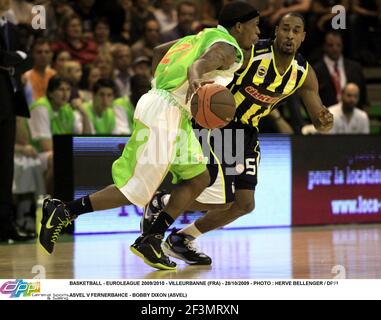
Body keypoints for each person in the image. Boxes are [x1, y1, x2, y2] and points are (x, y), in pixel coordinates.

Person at [38, 1, 261, 271]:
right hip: (164, 113)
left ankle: (151, 239)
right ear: (238, 26)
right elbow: (201, 65)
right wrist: (192, 79)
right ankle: (64, 211)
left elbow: (158, 51)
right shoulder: (229, 49)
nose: (258, 32)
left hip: (172, 111)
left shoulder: (201, 35)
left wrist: (160, 88)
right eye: (255, 25)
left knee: (201, 176)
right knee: (135, 191)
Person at [142, 13, 334, 265]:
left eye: (296, 31)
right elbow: (199, 57)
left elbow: (319, 121)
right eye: (285, 29)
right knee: (217, 196)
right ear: (275, 31)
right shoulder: (250, 52)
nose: (289, 35)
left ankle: (181, 239)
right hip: (215, 125)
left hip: (247, 131)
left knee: (244, 204)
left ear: (303, 37)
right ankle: (163, 203)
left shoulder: (303, 73)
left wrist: (324, 121)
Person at [0, 0, 33, 241]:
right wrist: (14, 59)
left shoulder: (11, 28)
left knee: (5, 167)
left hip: (9, 104)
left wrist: (10, 61)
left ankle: (5, 225)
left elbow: (27, 60)